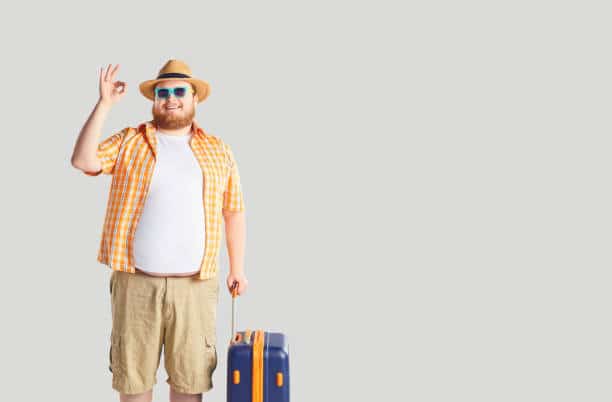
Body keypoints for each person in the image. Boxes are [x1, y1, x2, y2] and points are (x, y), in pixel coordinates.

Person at [71, 59, 248, 402]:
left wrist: (237, 269)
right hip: (136, 284)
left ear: (194, 97)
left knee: (189, 384)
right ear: (154, 100)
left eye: (179, 91)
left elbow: (234, 211)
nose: (171, 99)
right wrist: (104, 105)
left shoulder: (218, 150)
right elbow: (83, 160)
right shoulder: (130, 141)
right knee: (134, 384)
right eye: (162, 93)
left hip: (196, 287)